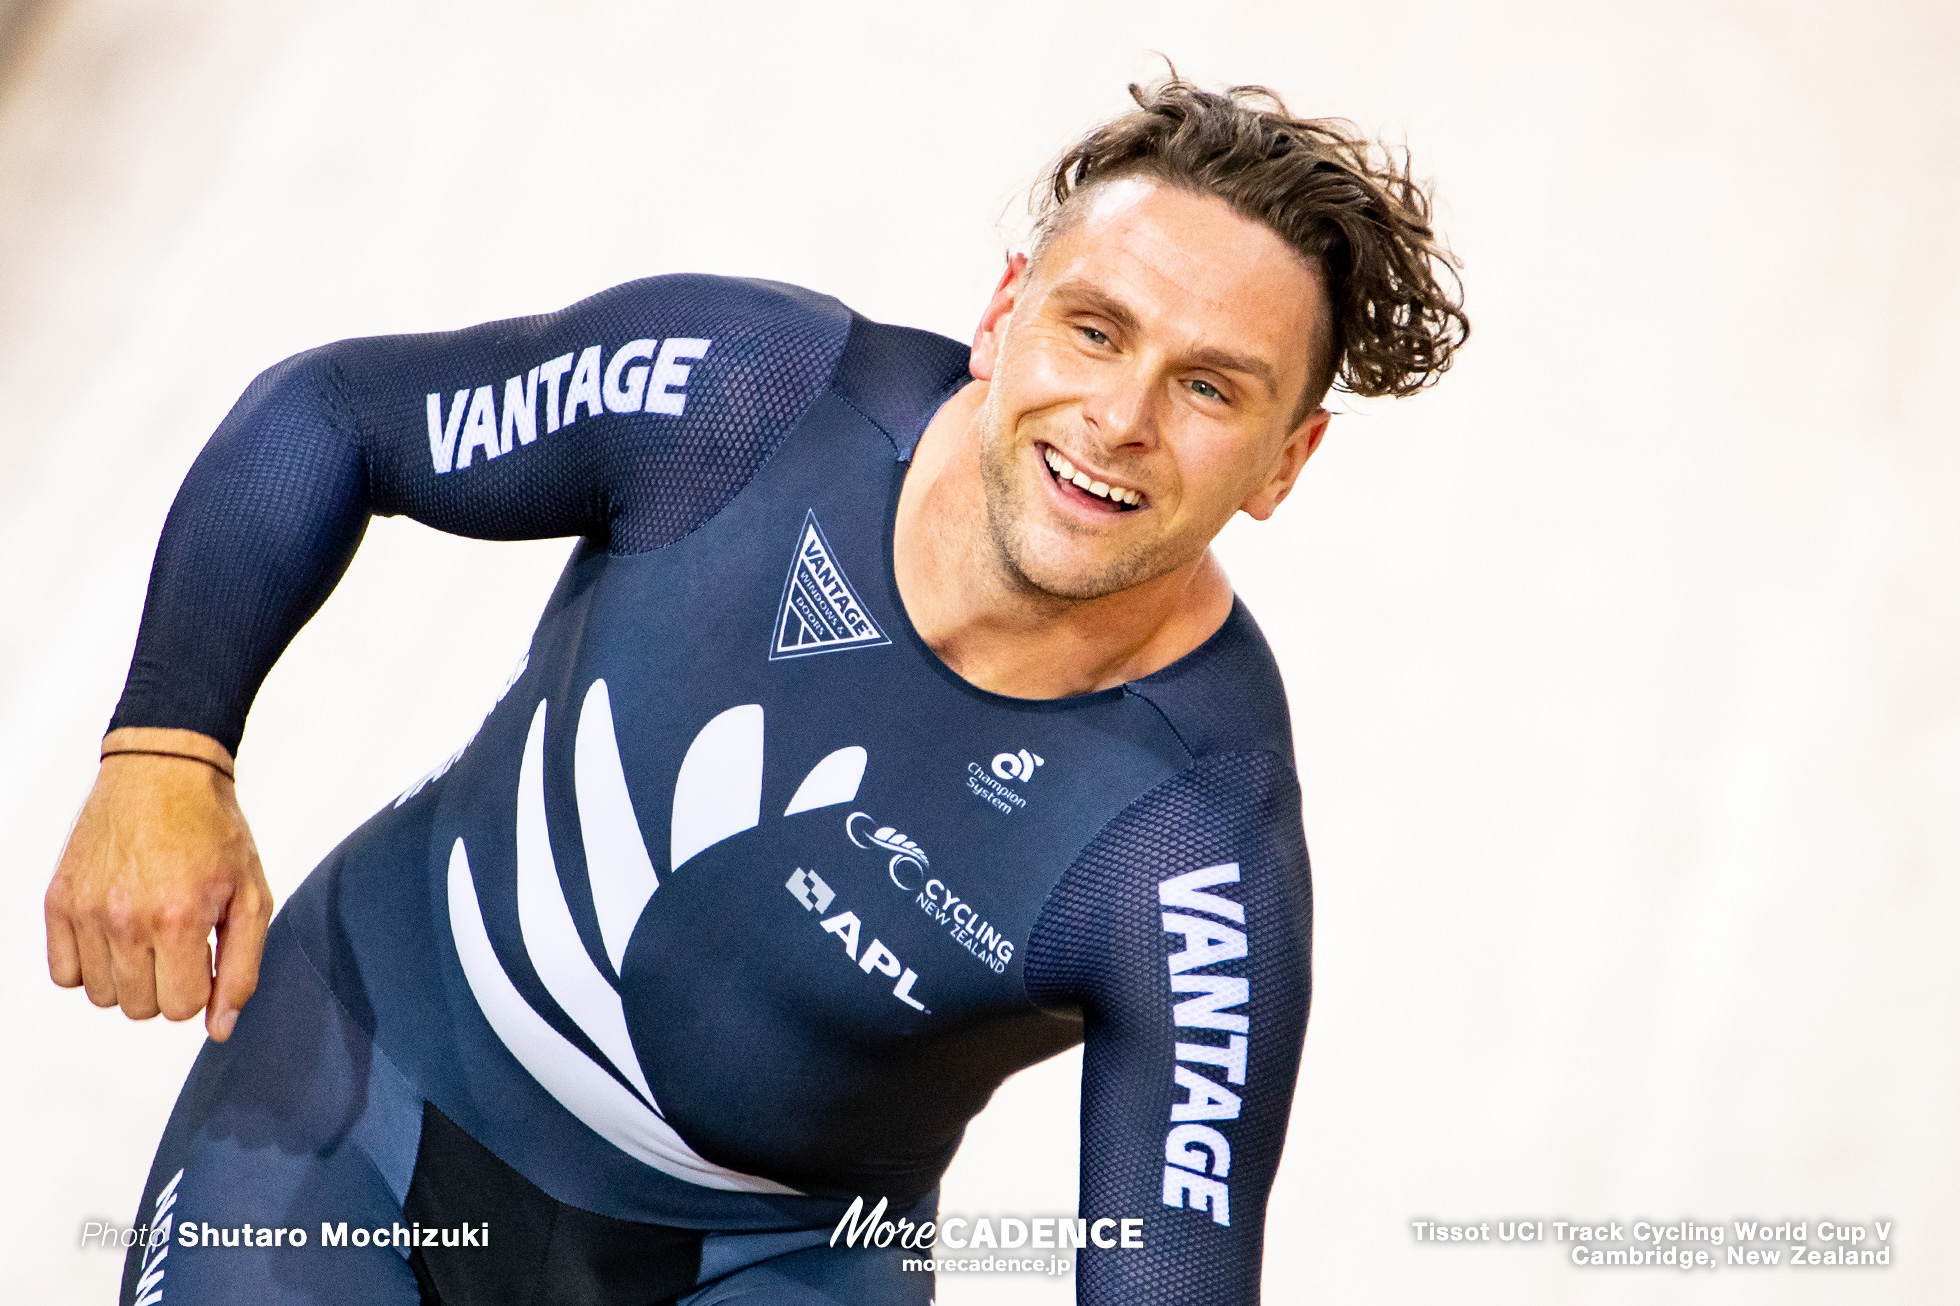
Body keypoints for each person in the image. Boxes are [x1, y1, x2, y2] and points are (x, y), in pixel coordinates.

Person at [46, 76, 1466, 1305]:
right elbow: (338, 415)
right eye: (1096, 329)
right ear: (1005, 310)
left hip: (763, 1261)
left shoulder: (1192, 850)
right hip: (359, 1091)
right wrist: (168, 747)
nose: (1121, 418)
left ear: (1286, 465)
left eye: (1212, 389)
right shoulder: (741, 398)